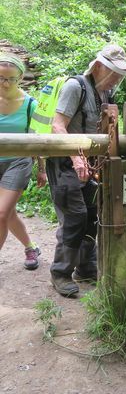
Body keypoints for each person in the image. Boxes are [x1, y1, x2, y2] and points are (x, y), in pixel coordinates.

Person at [47, 44, 126, 297]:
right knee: (74, 216)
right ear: (97, 67)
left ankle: (85, 267)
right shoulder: (75, 87)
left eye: (121, 73)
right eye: (114, 72)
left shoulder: (106, 95)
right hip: (65, 164)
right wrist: (76, 158)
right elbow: (58, 126)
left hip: (90, 168)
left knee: (92, 214)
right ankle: (60, 273)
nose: (118, 78)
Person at [0, 53, 47, 269]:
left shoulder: (30, 105)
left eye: (10, 78)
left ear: (19, 78)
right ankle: (30, 247)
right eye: (1, 77)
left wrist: (42, 169)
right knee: (8, 214)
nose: (5, 83)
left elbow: (38, 139)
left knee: (1, 213)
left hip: (18, 162)